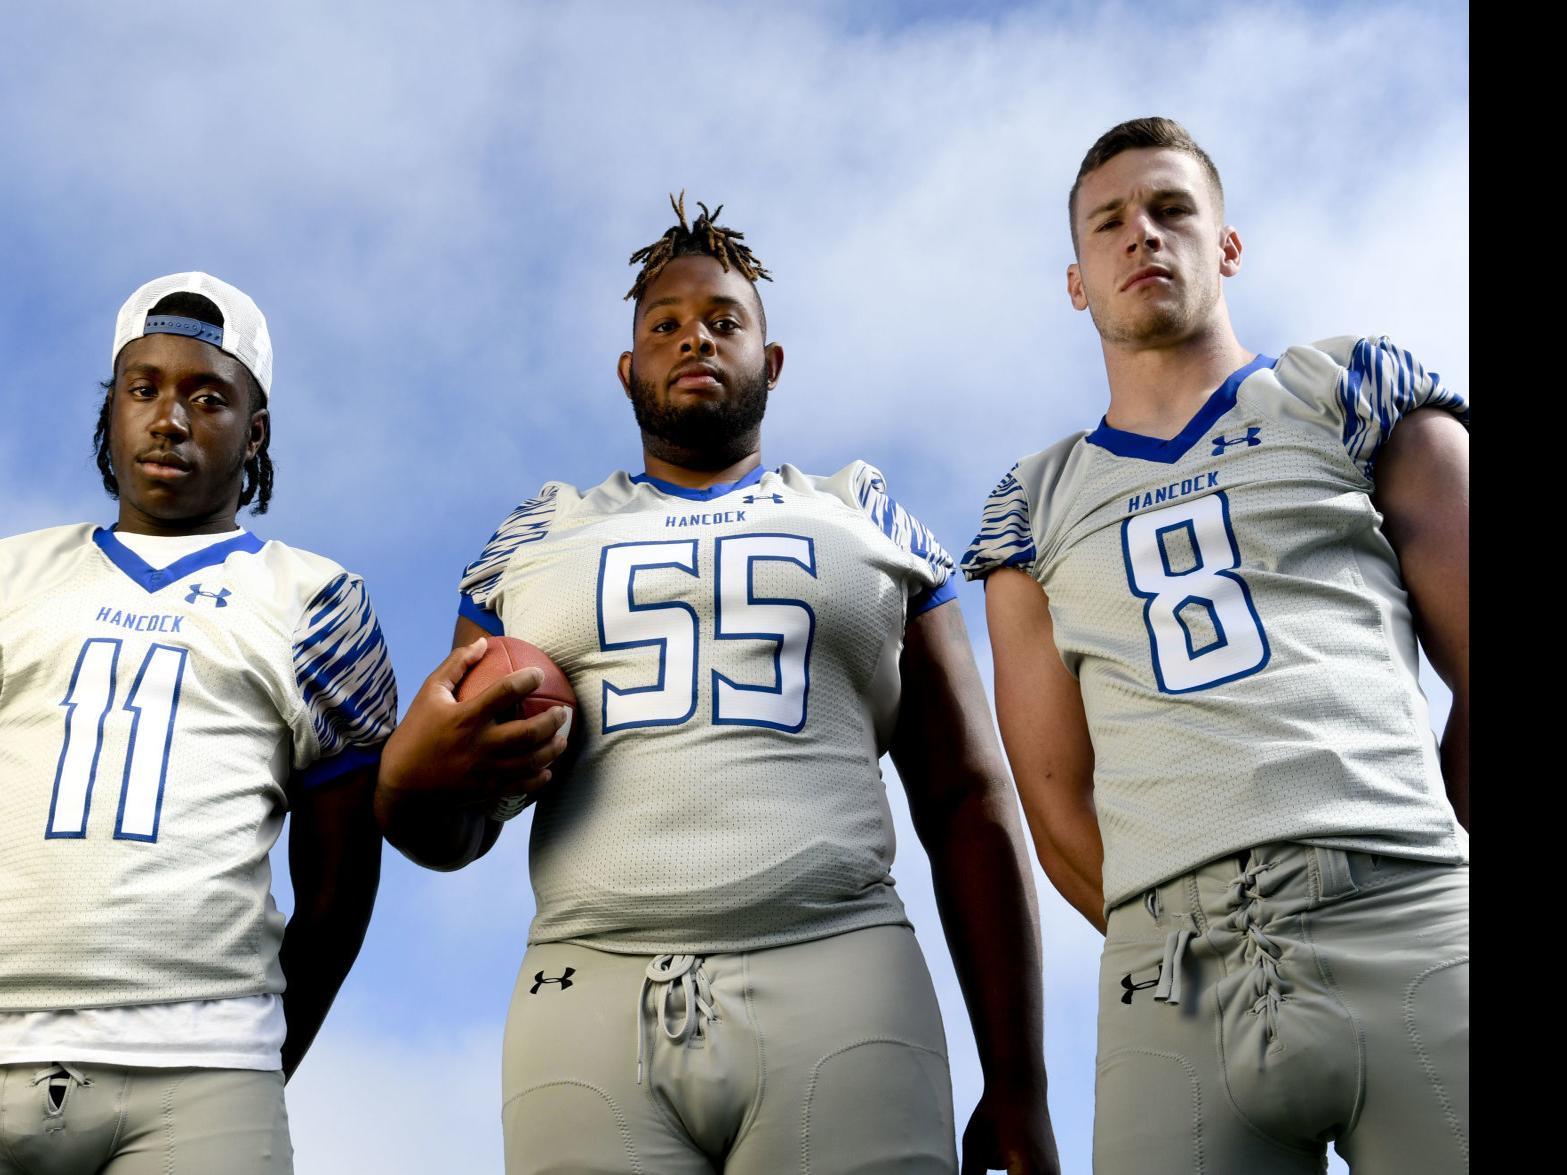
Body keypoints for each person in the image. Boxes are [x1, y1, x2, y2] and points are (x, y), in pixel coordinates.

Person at [378, 196, 1059, 1174]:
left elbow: (964, 795)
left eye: (724, 320)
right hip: (591, 993)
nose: (693, 334)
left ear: (770, 363)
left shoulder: (862, 509)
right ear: (628, 369)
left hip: (840, 967)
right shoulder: (535, 535)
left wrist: (1020, 1081)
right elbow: (452, 832)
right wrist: (406, 786)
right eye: (664, 324)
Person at [963, 117, 1469, 1173]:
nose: (1140, 235)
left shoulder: (1347, 393)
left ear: (1225, 244)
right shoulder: (1033, 507)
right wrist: (1171, 903)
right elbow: (1057, 806)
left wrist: (1418, 854)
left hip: (1406, 911)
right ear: (1075, 279)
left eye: (1170, 209)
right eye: (1109, 222)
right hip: (1175, 971)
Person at [0, 273, 397, 1174]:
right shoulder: (12, 576)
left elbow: (337, 893)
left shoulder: (318, 601)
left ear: (254, 429)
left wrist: (254, 1062)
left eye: (205, 396)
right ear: (111, 412)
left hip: (203, 1065)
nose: (168, 419)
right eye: (143, 389)